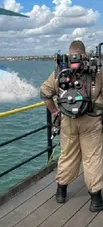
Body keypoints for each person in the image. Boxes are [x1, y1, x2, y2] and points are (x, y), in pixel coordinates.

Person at [40, 40, 103, 212]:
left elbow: (44, 93)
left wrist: (54, 112)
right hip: (91, 121)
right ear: (85, 53)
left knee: (67, 156)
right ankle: (96, 200)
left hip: (67, 121)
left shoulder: (60, 70)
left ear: (69, 53)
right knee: (92, 158)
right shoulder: (96, 70)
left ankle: (61, 192)